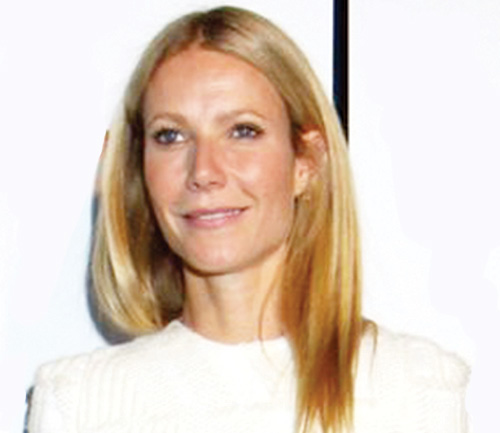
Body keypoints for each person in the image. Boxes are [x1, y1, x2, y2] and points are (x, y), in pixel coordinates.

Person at [27, 6, 470, 433]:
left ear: (306, 162)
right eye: (171, 135)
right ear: (139, 170)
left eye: (242, 131)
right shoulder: (80, 403)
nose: (203, 171)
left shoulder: (413, 390)